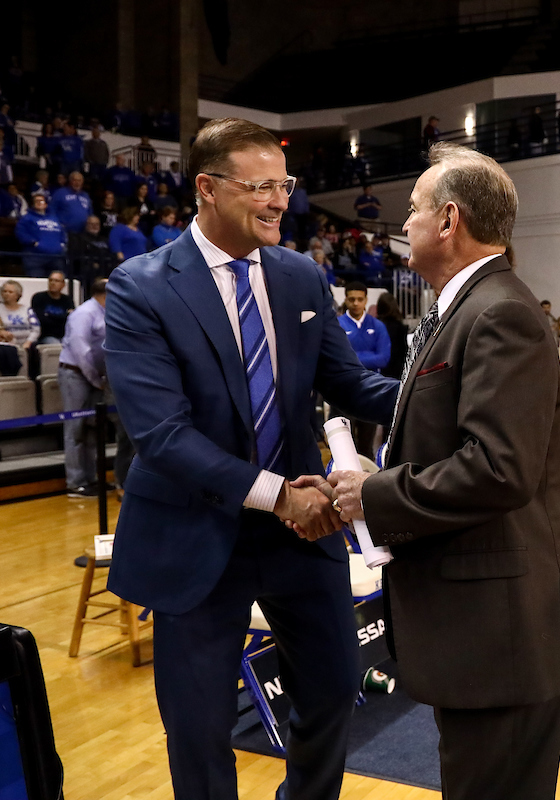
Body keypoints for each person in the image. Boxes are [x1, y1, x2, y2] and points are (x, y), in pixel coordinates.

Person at [103, 117, 400, 800]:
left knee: (331, 689)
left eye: (284, 185)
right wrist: (277, 494)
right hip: (196, 532)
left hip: (300, 532)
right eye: (260, 186)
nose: (278, 201)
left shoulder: (300, 276)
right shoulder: (140, 287)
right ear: (207, 189)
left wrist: (446, 392)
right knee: (201, 729)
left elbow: (351, 384)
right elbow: (165, 438)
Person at [323, 142, 560, 800]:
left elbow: (500, 468)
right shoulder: (464, 307)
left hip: (501, 634)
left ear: (448, 221)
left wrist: (372, 494)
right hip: (482, 628)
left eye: (412, 210)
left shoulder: (498, 312)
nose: (402, 224)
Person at [58, 278, 131, 497]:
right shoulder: (84, 313)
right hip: (76, 374)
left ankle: (91, 479)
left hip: (94, 376)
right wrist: (96, 380)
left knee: (91, 430)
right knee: (75, 429)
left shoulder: (104, 311)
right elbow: (82, 353)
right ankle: (75, 482)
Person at [337, 281, 391, 456]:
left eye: (360, 299)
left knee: (367, 447)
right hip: (342, 392)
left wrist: (351, 358)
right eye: (351, 299)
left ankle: (366, 483)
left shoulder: (378, 326)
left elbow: (383, 359)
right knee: (345, 449)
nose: (356, 303)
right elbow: (335, 359)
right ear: (345, 299)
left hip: (371, 390)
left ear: (366, 300)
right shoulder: (336, 325)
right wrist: (369, 357)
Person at [15, 193, 67, 277]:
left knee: (57, 282)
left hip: (56, 257)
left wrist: (62, 244)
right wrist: (33, 243)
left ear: (46, 204)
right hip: (35, 257)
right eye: (36, 201)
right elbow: (21, 233)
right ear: (33, 204)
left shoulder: (54, 218)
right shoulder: (26, 218)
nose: (39, 203)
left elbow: (62, 232)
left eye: (41, 201)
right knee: (37, 282)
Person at [30, 270, 75, 343]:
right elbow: (42, 320)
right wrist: (64, 316)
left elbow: (71, 319)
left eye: (56, 281)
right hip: (46, 336)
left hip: (65, 335)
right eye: (51, 280)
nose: (53, 283)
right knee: (56, 347)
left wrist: (49, 315)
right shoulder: (38, 297)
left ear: (63, 284)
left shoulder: (67, 300)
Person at [374, 291, 408, 379]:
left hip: (378, 370)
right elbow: (403, 351)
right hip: (396, 371)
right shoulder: (400, 327)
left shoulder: (374, 325)